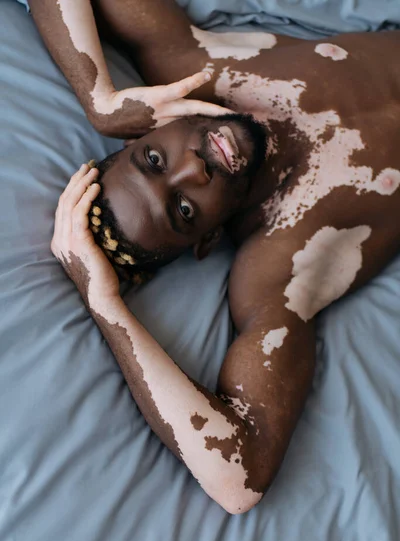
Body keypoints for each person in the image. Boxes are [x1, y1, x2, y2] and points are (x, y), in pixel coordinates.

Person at [30, 0, 400, 513]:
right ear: (206, 240)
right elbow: (238, 483)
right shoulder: (278, 265)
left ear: (143, 134)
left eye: (154, 161)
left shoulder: (191, 65)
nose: (192, 169)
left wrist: (99, 99)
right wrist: (106, 304)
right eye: (183, 209)